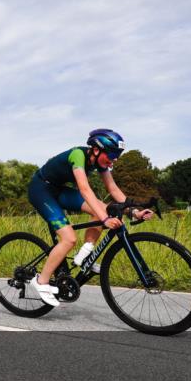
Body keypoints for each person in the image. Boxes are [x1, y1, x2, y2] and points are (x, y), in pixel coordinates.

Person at [26, 129, 154, 306]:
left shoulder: (101, 162)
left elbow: (113, 189)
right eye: (112, 154)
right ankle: (42, 281)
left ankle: (86, 254)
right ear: (96, 149)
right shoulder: (78, 155)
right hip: (41, 190)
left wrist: (134, 211)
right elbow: (85, 189)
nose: (114, 159)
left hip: (59, 190)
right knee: (69, 238)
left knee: (104, 209)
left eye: (117, 155)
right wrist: (104, 220)